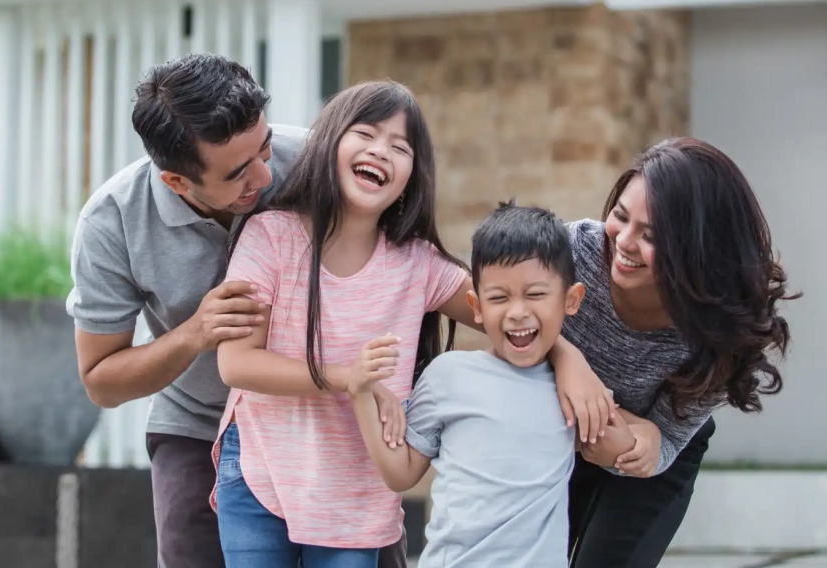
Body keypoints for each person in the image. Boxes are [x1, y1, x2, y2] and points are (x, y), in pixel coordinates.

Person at [210, 82, 614, 567]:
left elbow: (504, 312)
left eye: (400, 147)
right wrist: (346, 377)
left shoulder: (418, 264)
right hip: (263, 467)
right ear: (329, 142)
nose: (381, 152)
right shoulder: (271, 236)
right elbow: (236, 363)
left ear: (411, 176)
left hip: (357, 489)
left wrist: (569, 356)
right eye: (366, 134)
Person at [67, 53, 315, 568]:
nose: (267, 177)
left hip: (320, 414)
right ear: (177, 182)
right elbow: (101, 381)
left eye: (265, 148)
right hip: (200, 425)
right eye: (239, 173)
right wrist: (193, 334)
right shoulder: (110, 224)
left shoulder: (317, 161)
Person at [349, 201, 637, 567]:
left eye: (535, 294)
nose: (517, 311)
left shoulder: (573, 390)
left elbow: (619, 449)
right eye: (499, 298)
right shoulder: (447, 376)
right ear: (477, 306)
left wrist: (630, 437)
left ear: (571, 300)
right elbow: (400, 472)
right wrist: (359, 394)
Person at [561, 137, 798, 567]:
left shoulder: (723, 332)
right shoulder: (569, 255)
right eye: (620, 216)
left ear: (700, 248)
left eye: (650, 235)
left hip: (655, 449)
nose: (624, 242)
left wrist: (638, 438)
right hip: (557, 432)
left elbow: (663, 438)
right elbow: (499, 316)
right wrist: (565, 357)